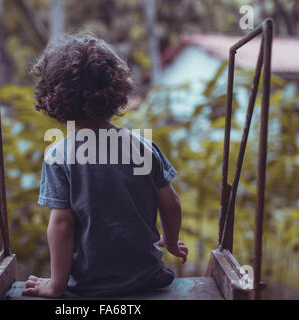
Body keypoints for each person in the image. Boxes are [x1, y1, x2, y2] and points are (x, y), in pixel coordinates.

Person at [22, 33, 188, 298]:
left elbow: (62, 224)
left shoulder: (60, 155)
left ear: (53, 97)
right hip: (147, 279)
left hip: (89, 286)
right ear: (116, 90)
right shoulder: (141, 147)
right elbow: (171, 203)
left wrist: (56, 284)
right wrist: (170, 241)